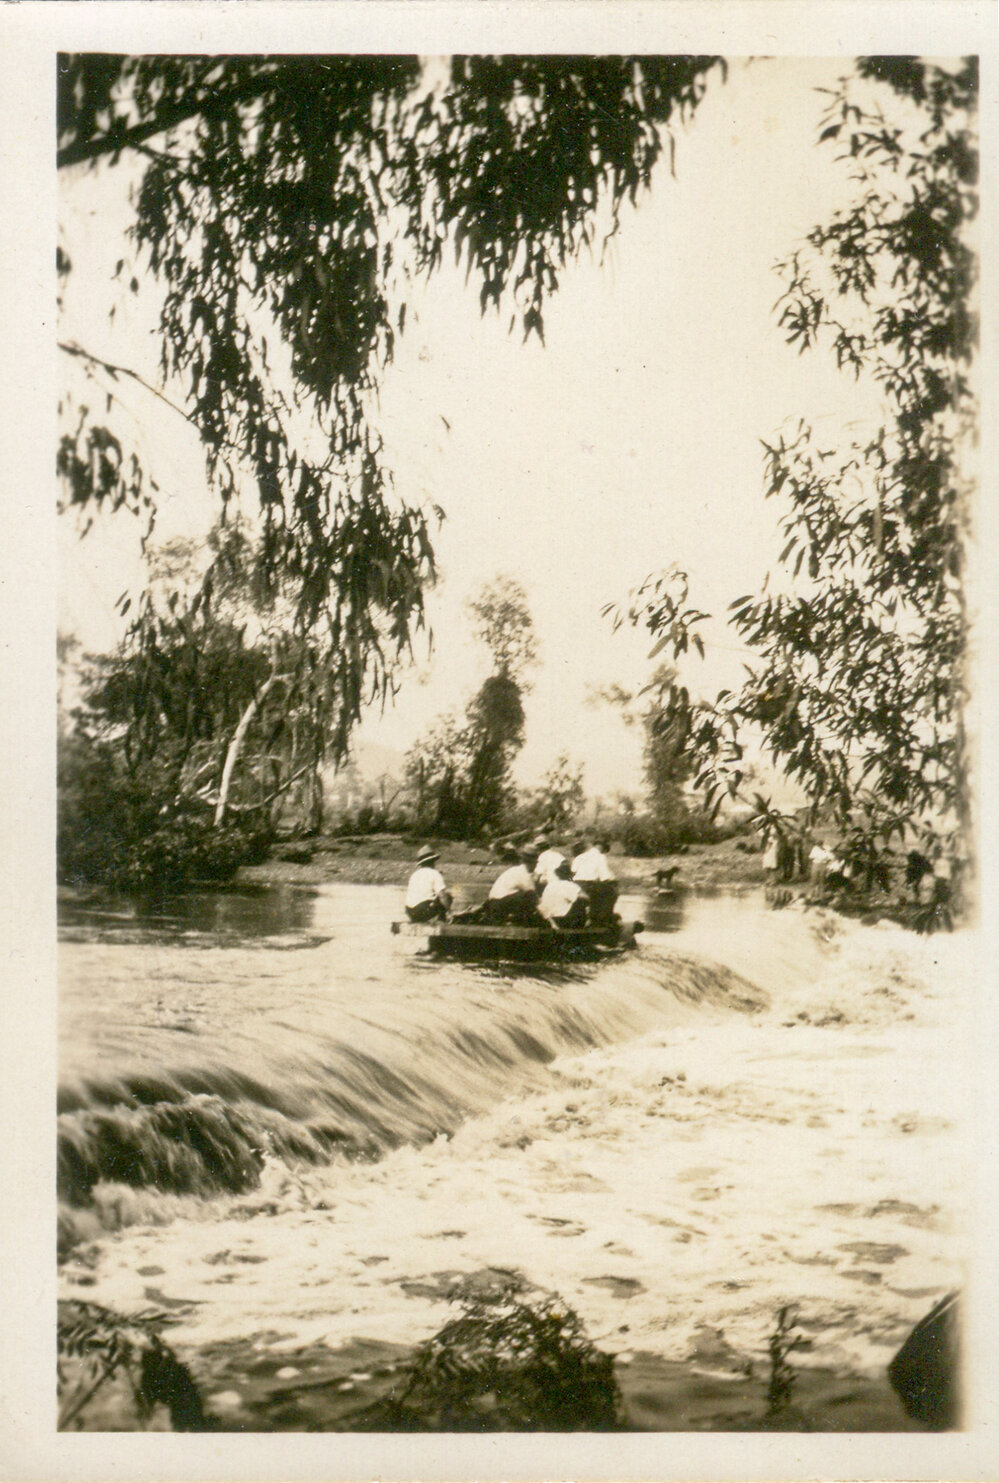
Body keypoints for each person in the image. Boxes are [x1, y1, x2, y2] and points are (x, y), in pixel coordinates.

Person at [482, 844, 542, 924]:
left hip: (492, 904)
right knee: (530, 895)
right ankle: (525, 922)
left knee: (525, 896)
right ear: (532, 863)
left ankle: (516, 920)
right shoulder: (524, 874)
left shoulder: (514, 870)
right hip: (498, 905)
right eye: (536, 863)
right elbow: (535, 898)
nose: (536, 866)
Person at [571, 837, 619, 926]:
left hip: (576, 884)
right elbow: (605, 876)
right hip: (589, 885)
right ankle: (603, 919)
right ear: (603, 848)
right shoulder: (601, 857)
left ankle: (588, 917)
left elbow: (573, 872)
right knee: (611, 892)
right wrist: (613, 881)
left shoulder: (580, 856)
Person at [404, 846, 452, 923]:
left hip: (410, 912)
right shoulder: (435, 873)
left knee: (433, 898)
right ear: (432, 862)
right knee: (448, 896)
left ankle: (434, 919)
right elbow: (443, 896)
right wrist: (449, 912)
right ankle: (442, 920)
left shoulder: (414, 874)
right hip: (422, 910)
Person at [538, 858, 588, 930]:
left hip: (549, 918)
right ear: (570, 875)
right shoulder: (570, 885)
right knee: (581, 902)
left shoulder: (549, 885)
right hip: (564, 919)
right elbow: (586, 897)